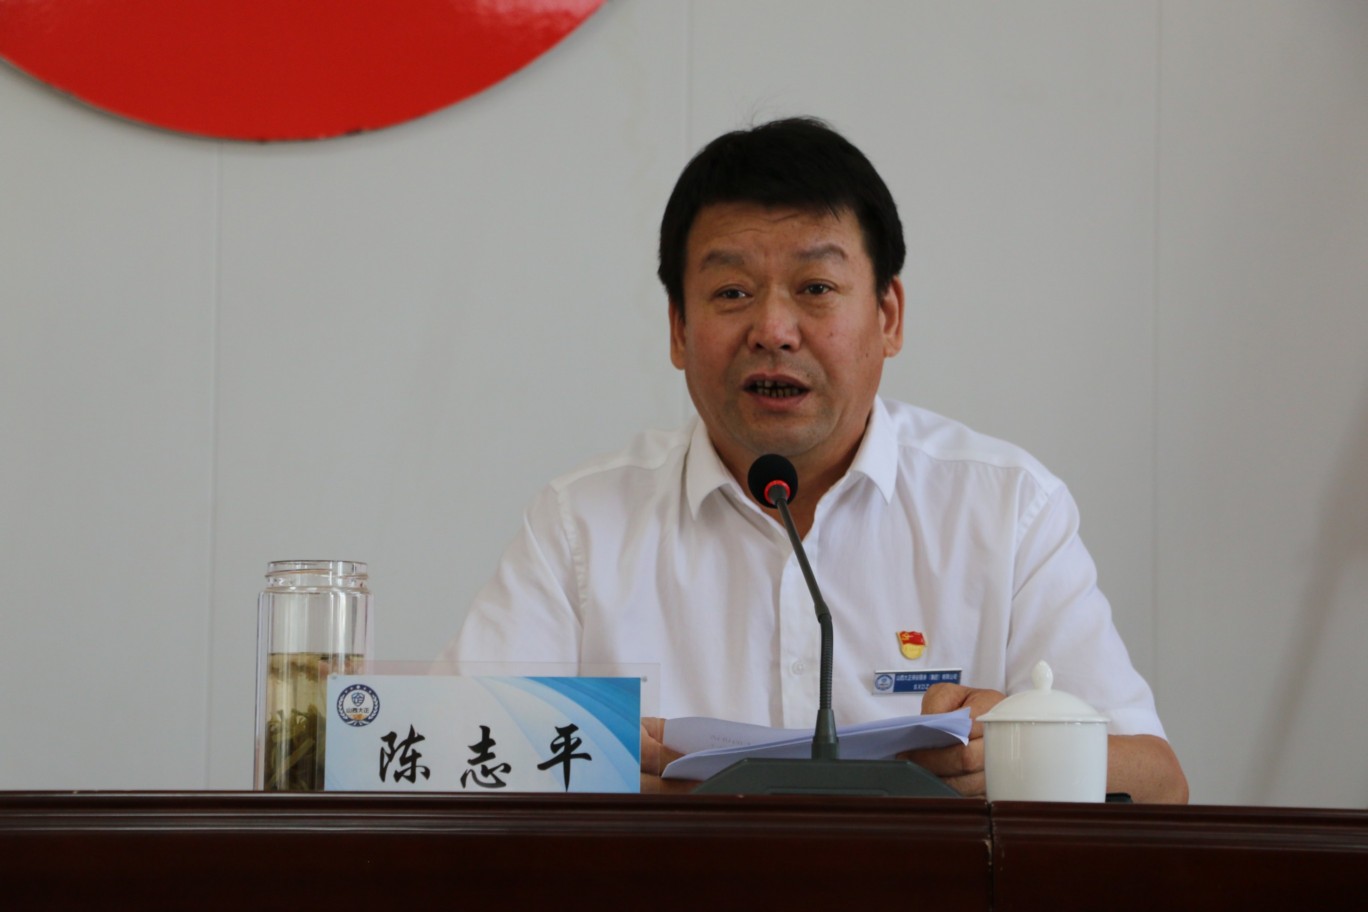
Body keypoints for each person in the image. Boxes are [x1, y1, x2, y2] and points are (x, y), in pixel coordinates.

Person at [443, 117, 1188, 803]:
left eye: (816, 289)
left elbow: (1159, 784)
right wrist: (596, 769)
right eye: (732, 291)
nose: (773, 329)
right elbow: (437, 758)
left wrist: (1022, 759)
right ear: (677, 329)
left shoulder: (1004, 509)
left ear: (888, 317)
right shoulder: (581, 525)